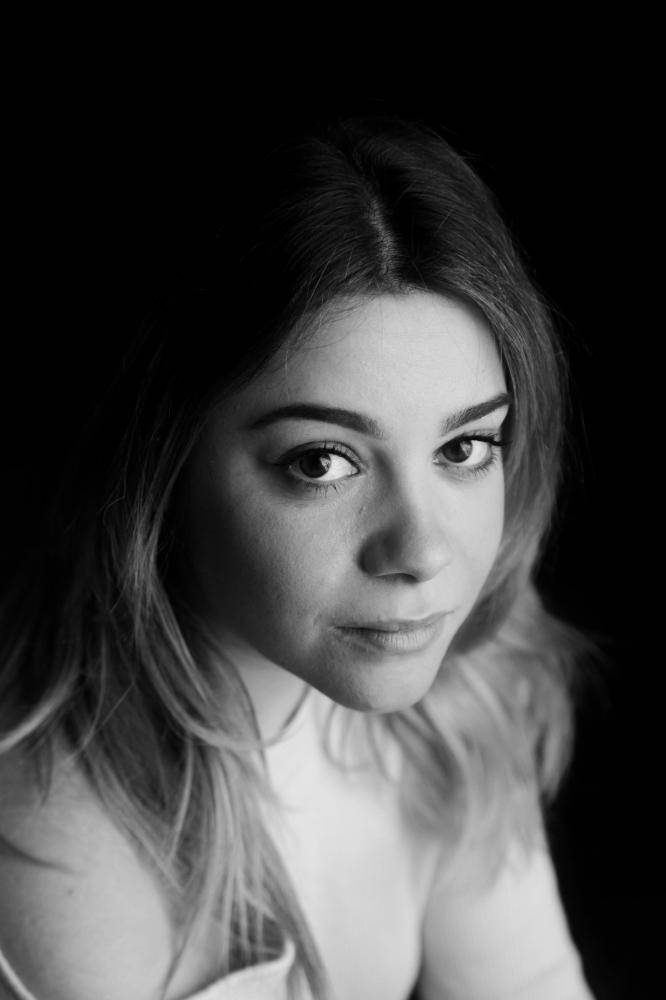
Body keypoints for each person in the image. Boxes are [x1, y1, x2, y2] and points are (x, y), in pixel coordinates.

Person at [0, 115, 595, 999]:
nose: (422, 551)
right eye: (322, 462)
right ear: (163, 465)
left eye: (464, 448)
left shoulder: (456, 703)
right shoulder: (50, 846)